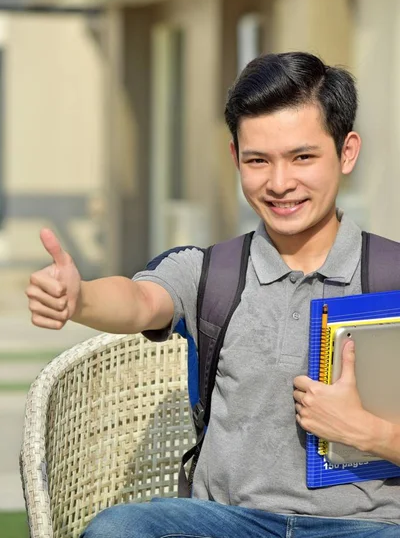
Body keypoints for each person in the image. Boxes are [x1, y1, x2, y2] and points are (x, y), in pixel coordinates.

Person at [26, 52, 400, 537]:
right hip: (226, 523)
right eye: (258, 161)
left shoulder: (392, 275)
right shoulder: (211, 273)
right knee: (119, 529)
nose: (280, 182)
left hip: (368, 527)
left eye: (302, 157)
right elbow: (140, 302)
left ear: (346, 152)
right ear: (235, 159)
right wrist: (79, 299)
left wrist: (369, 432)